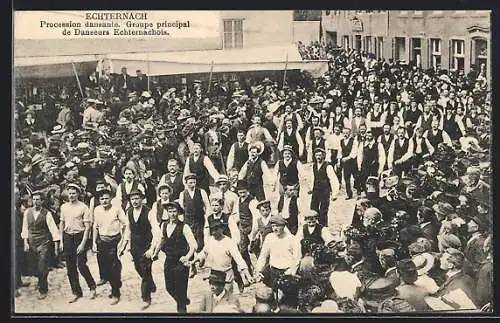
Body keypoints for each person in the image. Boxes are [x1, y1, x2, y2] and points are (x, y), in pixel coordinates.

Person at [152, 201, 198, 313]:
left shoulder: (184, 227)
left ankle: (182, 310)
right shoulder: (164, 225)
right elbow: (162, 239)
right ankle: (182, 301)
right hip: (169, 260)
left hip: (181, 262)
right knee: (169, 287)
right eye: (170, 211)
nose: (172, 214)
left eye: (174, 211)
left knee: (180, 289)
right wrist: (156, 253)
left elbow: (194, 245)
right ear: (167, 212)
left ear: (178, 213)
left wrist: (187, 257)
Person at [59, 183, 96, 303]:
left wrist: (83, 243)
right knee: (70, 267)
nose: (71, 195)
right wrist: (61, 241)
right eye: (69, 193)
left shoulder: (83, 207)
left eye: (73, 193)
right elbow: (62, 223)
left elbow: (87, 227)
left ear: (78, 194)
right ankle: (76, 292)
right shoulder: (64, 207)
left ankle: (92, 287)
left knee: (81, 265)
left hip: (80, 237)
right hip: (68, 237)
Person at [21, 190, 61, 300]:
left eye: (38, 199)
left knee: (42, 267)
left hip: (44, 243)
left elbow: (53, 230)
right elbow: (25, 228)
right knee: (34, 267)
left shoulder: (47, 213)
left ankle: (43, 289)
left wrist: (57, 246)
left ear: (42, 201)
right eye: (33, 199)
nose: (35, 201)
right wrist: (25, 242)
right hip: (32, 242)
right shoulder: (27, 212)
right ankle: (40, 281)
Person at [92, 188, 129, 305]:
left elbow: (126, 223)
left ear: (111, 199)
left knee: (113, 267)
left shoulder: (116, 209)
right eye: (101, 199)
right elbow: (95, 227)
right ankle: (115, 282)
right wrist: (93, 242)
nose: (104, 201)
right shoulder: (97, 210)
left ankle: (115, 293)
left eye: (106, 198)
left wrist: (123, 241)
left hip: (114, 241)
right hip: (102, 241)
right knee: (105, 265)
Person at [125, 189, 159, 309]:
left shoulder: (149, 212)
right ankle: (151, 283)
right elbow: (128, 229)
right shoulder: (128, 212)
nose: (134, 201)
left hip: (146, 245)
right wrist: (126, 245)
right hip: (135, 245)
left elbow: (156, 230)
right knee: (138, 268)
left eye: (137, 198)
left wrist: (152, 248)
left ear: (142, 199)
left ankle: (146, 298)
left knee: (145, 270)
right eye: (132, 199)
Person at [254, 215, 301, 292]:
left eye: (277, 226)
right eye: (273, 226)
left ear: (283, 226)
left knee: (287, 299)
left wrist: (291, 271)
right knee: (272, 296)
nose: (275, 229)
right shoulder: (269, 237)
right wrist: (258, 269)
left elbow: (297, 258)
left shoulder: (292, 239)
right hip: (273, 271)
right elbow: (263, 256)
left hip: (287, 273)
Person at [178, 173, 210, 278]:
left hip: (199, 220)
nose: (192, 184)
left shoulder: (201, 192)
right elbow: (182, 208)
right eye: (190, 182)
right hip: (188, 221)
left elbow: (207, 206)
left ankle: (201, 258)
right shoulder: (183, 194)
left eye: (194, 182)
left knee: (200, 243)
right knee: (189, 245)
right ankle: (193, 267)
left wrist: (208, 219)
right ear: (186, 183)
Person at [308, 147, 340, 226]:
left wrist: (334, 194)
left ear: (323, 156)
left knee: (323, 210)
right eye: (316, 155)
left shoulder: (328, 166)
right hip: (316, 190)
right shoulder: (314, 166)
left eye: (320, 155)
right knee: (313, 208)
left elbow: (333, 180)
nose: (318, 157)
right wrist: (311, 188)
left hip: (324, 191)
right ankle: (314, 225)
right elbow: (312, 178)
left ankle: (323, 227)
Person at [337, 127, 358, 199]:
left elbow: (354, 151)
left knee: (356, 177)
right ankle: (349, 194)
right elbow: (339, 152)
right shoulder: (341, 141)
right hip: (345, 163)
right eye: (344, 133)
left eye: (347, 133)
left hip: (352, 162)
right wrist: (339, 161)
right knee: (346, 178)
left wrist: (348, 158)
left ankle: (359, 192)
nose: (345, 134)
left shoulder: (354, 141)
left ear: (350, 133)